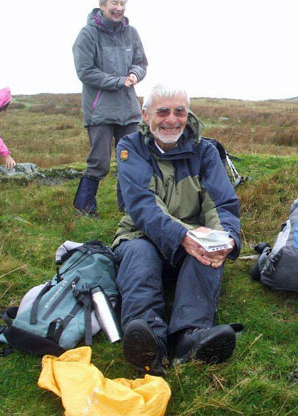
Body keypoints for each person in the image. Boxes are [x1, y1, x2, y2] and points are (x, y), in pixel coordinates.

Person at [112, 84, 242, 375]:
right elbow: (143, 206)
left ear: (188, 114)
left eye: (179, 111)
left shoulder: (206, 151)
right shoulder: (129, 148)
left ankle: (191, 337)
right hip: (141, 234)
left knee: (209, 253)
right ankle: (150, 342)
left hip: (194, 237)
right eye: (163, 111)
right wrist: (185, 236)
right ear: (146, 115)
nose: (171, 119)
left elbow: (221, 203)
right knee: (139, 257)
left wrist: (226, 240)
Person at [72, 0, 148, 215]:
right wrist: (118, 81)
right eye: (114, 2)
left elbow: (141, 63)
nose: (119, 8)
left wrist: (135, 74)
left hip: (130, 111)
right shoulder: (87, 34)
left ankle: (128, 208)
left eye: (123, 3)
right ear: (102, 5)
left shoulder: (131, 32)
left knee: (131, 159)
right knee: (99, 162)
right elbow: (85, 71)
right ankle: (85, 208)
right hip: (100, 112)